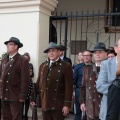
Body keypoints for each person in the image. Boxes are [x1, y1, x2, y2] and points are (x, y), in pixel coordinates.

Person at [30, 42, 73, 120]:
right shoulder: (43, 66)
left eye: (53, 51)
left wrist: (67, 104)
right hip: (45, 102)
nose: (51, 53)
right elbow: (38, 83)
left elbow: (69, 87)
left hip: (58, 103)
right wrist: (32, 97)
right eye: (49, 51)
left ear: (59, 52)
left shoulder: (66, 66)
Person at [0, 37, 30, 120]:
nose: (7, 46)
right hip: (4, 95)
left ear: (16, 46)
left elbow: (25, 80)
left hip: (15, 96)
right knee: (5, 117)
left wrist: (22, 96)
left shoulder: (22, 60)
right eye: (7, 44)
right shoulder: (4, 60)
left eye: (10, 44)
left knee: (16, 117)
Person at [80, 42, 107, 120]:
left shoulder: (110, 68)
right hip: (90, 107)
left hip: (104, 107)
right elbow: (83, 87)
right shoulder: (87, 69)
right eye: (95, 52)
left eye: (100, 52)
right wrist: (82, 102)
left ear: (106, 54)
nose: (97, 54)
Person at [96, 38, 120, 120]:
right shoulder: (106, 64)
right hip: (109, 109)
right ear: (116, 49)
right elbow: (100, 85)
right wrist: (115, 89)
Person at [73, 50, 92, 120]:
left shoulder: (94, 66)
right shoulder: (77, 67)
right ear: (82, 57)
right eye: (84, 56)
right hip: (79, 91)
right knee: (78, 111)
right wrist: (73, 92)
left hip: (90, 91)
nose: (86, 57)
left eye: (88, 55)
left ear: (91, 57)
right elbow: (74, 79)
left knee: (89, 111)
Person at [23, 52, 34, 120]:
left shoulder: (30, 65)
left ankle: (26, 115)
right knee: (21, 101)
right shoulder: (20, 64)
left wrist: (30, 73)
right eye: (24, 58)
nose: (26, 60)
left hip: (29, 84)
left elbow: (32, 75)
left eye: (27, 59)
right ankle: (21, 115)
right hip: (22, 84)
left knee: (27, 100)